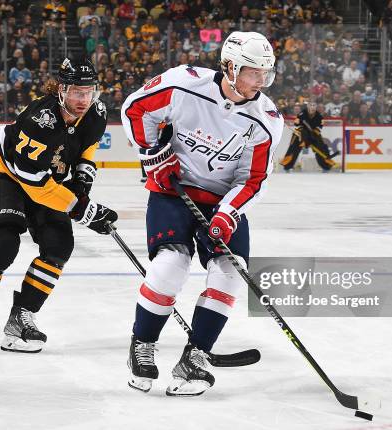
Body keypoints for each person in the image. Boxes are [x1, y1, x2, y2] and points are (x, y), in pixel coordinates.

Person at [121, 31, 284, 396]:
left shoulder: (266, 119)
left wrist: (227, 214)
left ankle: (195, 357)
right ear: (229, 67)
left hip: (222, 199)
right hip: (173, 191)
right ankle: (142, 345)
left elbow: (253, 178)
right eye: (252, 72)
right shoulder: (184, 84)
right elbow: (136, 108)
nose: (260, 81)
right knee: (170, 265)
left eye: (265, 73)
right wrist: (152, 157)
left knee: (231, 272)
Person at [0, 57, 118, 353]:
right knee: (4, 244)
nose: (84, 99)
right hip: (8, 176)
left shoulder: (96, 111)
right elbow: (35, 186)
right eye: (77, 92)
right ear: (62, 90)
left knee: (58, 247)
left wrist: (81, 182)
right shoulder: (41, 120)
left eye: (89, 91)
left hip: (47, 181)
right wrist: (82, 210)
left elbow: (88, 146)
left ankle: (21, 317)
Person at [280, 101, 334, 172]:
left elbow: (319, 128)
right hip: (301, 134)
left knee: (321, 148)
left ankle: (326, 166)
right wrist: (298, 122)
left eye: (314, 105)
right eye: (310, 105)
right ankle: (287, 167)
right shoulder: (302, 114)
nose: (312, 107)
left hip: (314, 134)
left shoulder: (319, 117)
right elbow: (296, 124)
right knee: (293, 149)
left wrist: (312, 135)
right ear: (308, 106)